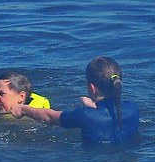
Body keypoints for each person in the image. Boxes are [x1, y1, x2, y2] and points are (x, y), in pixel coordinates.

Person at [11, 56, 139, 143]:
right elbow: (107, 114)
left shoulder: (84, 115)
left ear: (92, 88)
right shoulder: (133, 108)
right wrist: (93, 105)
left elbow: (49, 117)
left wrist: (23, 109)